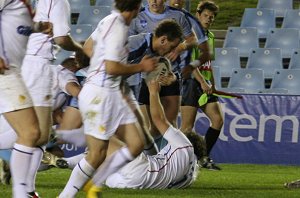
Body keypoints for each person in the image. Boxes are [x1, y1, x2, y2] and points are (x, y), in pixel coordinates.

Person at [58, 0, 158, 197]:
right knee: (97, 154)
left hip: (113, 93)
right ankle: (66, 195)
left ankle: (94, 185)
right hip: (100, 95)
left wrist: (96, 63)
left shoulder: (109, 21)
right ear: (137, 7)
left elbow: (87, 49)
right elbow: (111, 68)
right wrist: (140, 67)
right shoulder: (118, 28)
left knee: (136, 144)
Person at [20, 0, 84, 196]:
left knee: (36, 134)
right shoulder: (58, 1)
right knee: (38, 135)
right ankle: (27, 191)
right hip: (37, 65)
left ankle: (28, 190)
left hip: (23, 62)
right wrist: (80, 50)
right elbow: (62, 38)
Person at [105, 79, 205, 189]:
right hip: (135, 183)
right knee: (108, 176)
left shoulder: (185, 145)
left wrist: (154, 92)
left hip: (141, 170)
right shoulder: (190, 178)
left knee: (104, 136)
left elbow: (159, 120)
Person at [0, 0, 52, 197]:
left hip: (12, 71)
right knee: (31, 132)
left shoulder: (25, 4)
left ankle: (23, 192)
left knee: (29, 132)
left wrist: (39, 27)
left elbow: (17, 27)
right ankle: (22, 193)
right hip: (5, 72)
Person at [178, 1, 223, 170]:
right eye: (206, 16)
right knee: (187, 128)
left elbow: (208, 63)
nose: (209, 19)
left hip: (206, 84)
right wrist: (203, 82)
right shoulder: (190, 35)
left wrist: (213, 84)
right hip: (191, 82)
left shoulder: (210, 36)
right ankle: (177, 162)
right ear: (198, 15)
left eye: (211, 17)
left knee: (217, 120)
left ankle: (203, 158)